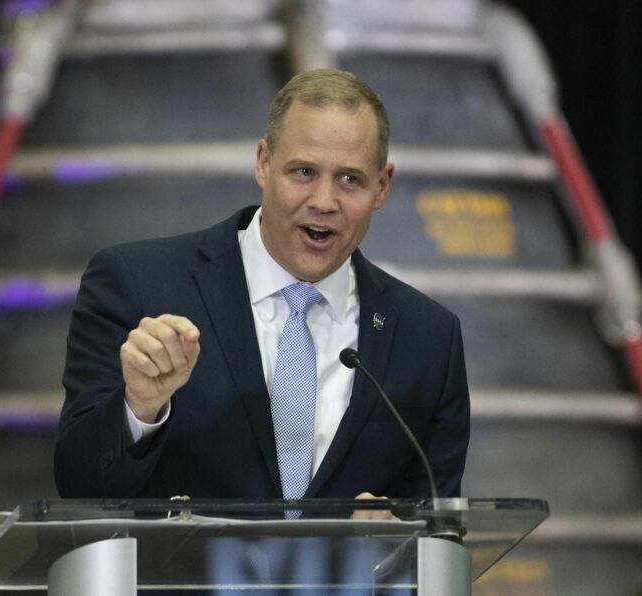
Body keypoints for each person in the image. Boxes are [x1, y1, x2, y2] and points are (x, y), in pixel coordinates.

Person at [54, 69, 469, 502]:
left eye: (350, 179)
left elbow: (439, 536)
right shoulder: (138, 284)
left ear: (382, 186)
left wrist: (397, 544)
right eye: (304, 172)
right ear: (264, 164)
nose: (324, 202)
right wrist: (138, 409)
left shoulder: (429, 339)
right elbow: (77, 487)